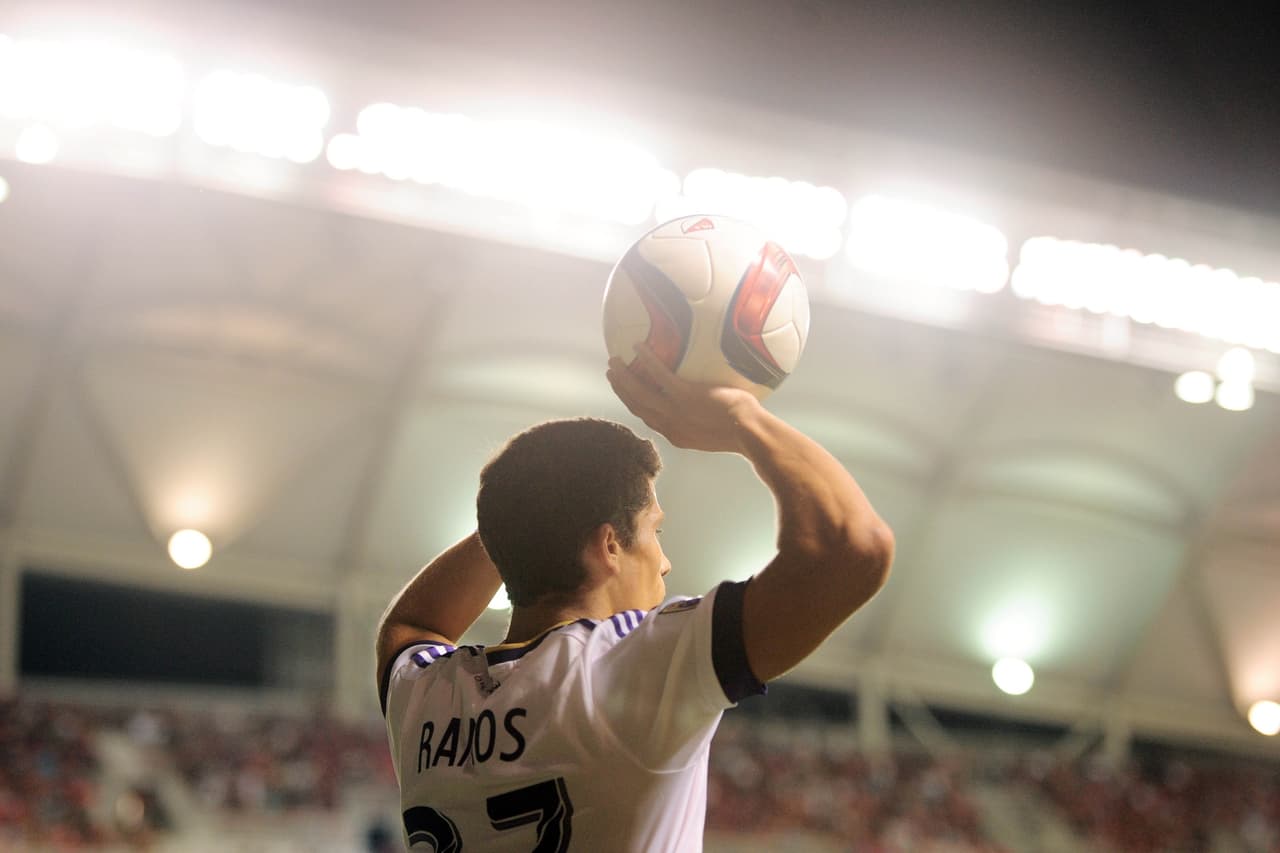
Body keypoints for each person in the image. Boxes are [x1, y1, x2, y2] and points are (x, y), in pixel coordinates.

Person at [376, 343, 894, 852]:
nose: (665, 561)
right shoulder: (625, 666)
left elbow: (410, 625)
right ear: (608, 546)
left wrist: (520, 517)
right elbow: (855, 548)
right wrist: (741, 416)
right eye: (656, 532)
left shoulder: (425, 696)